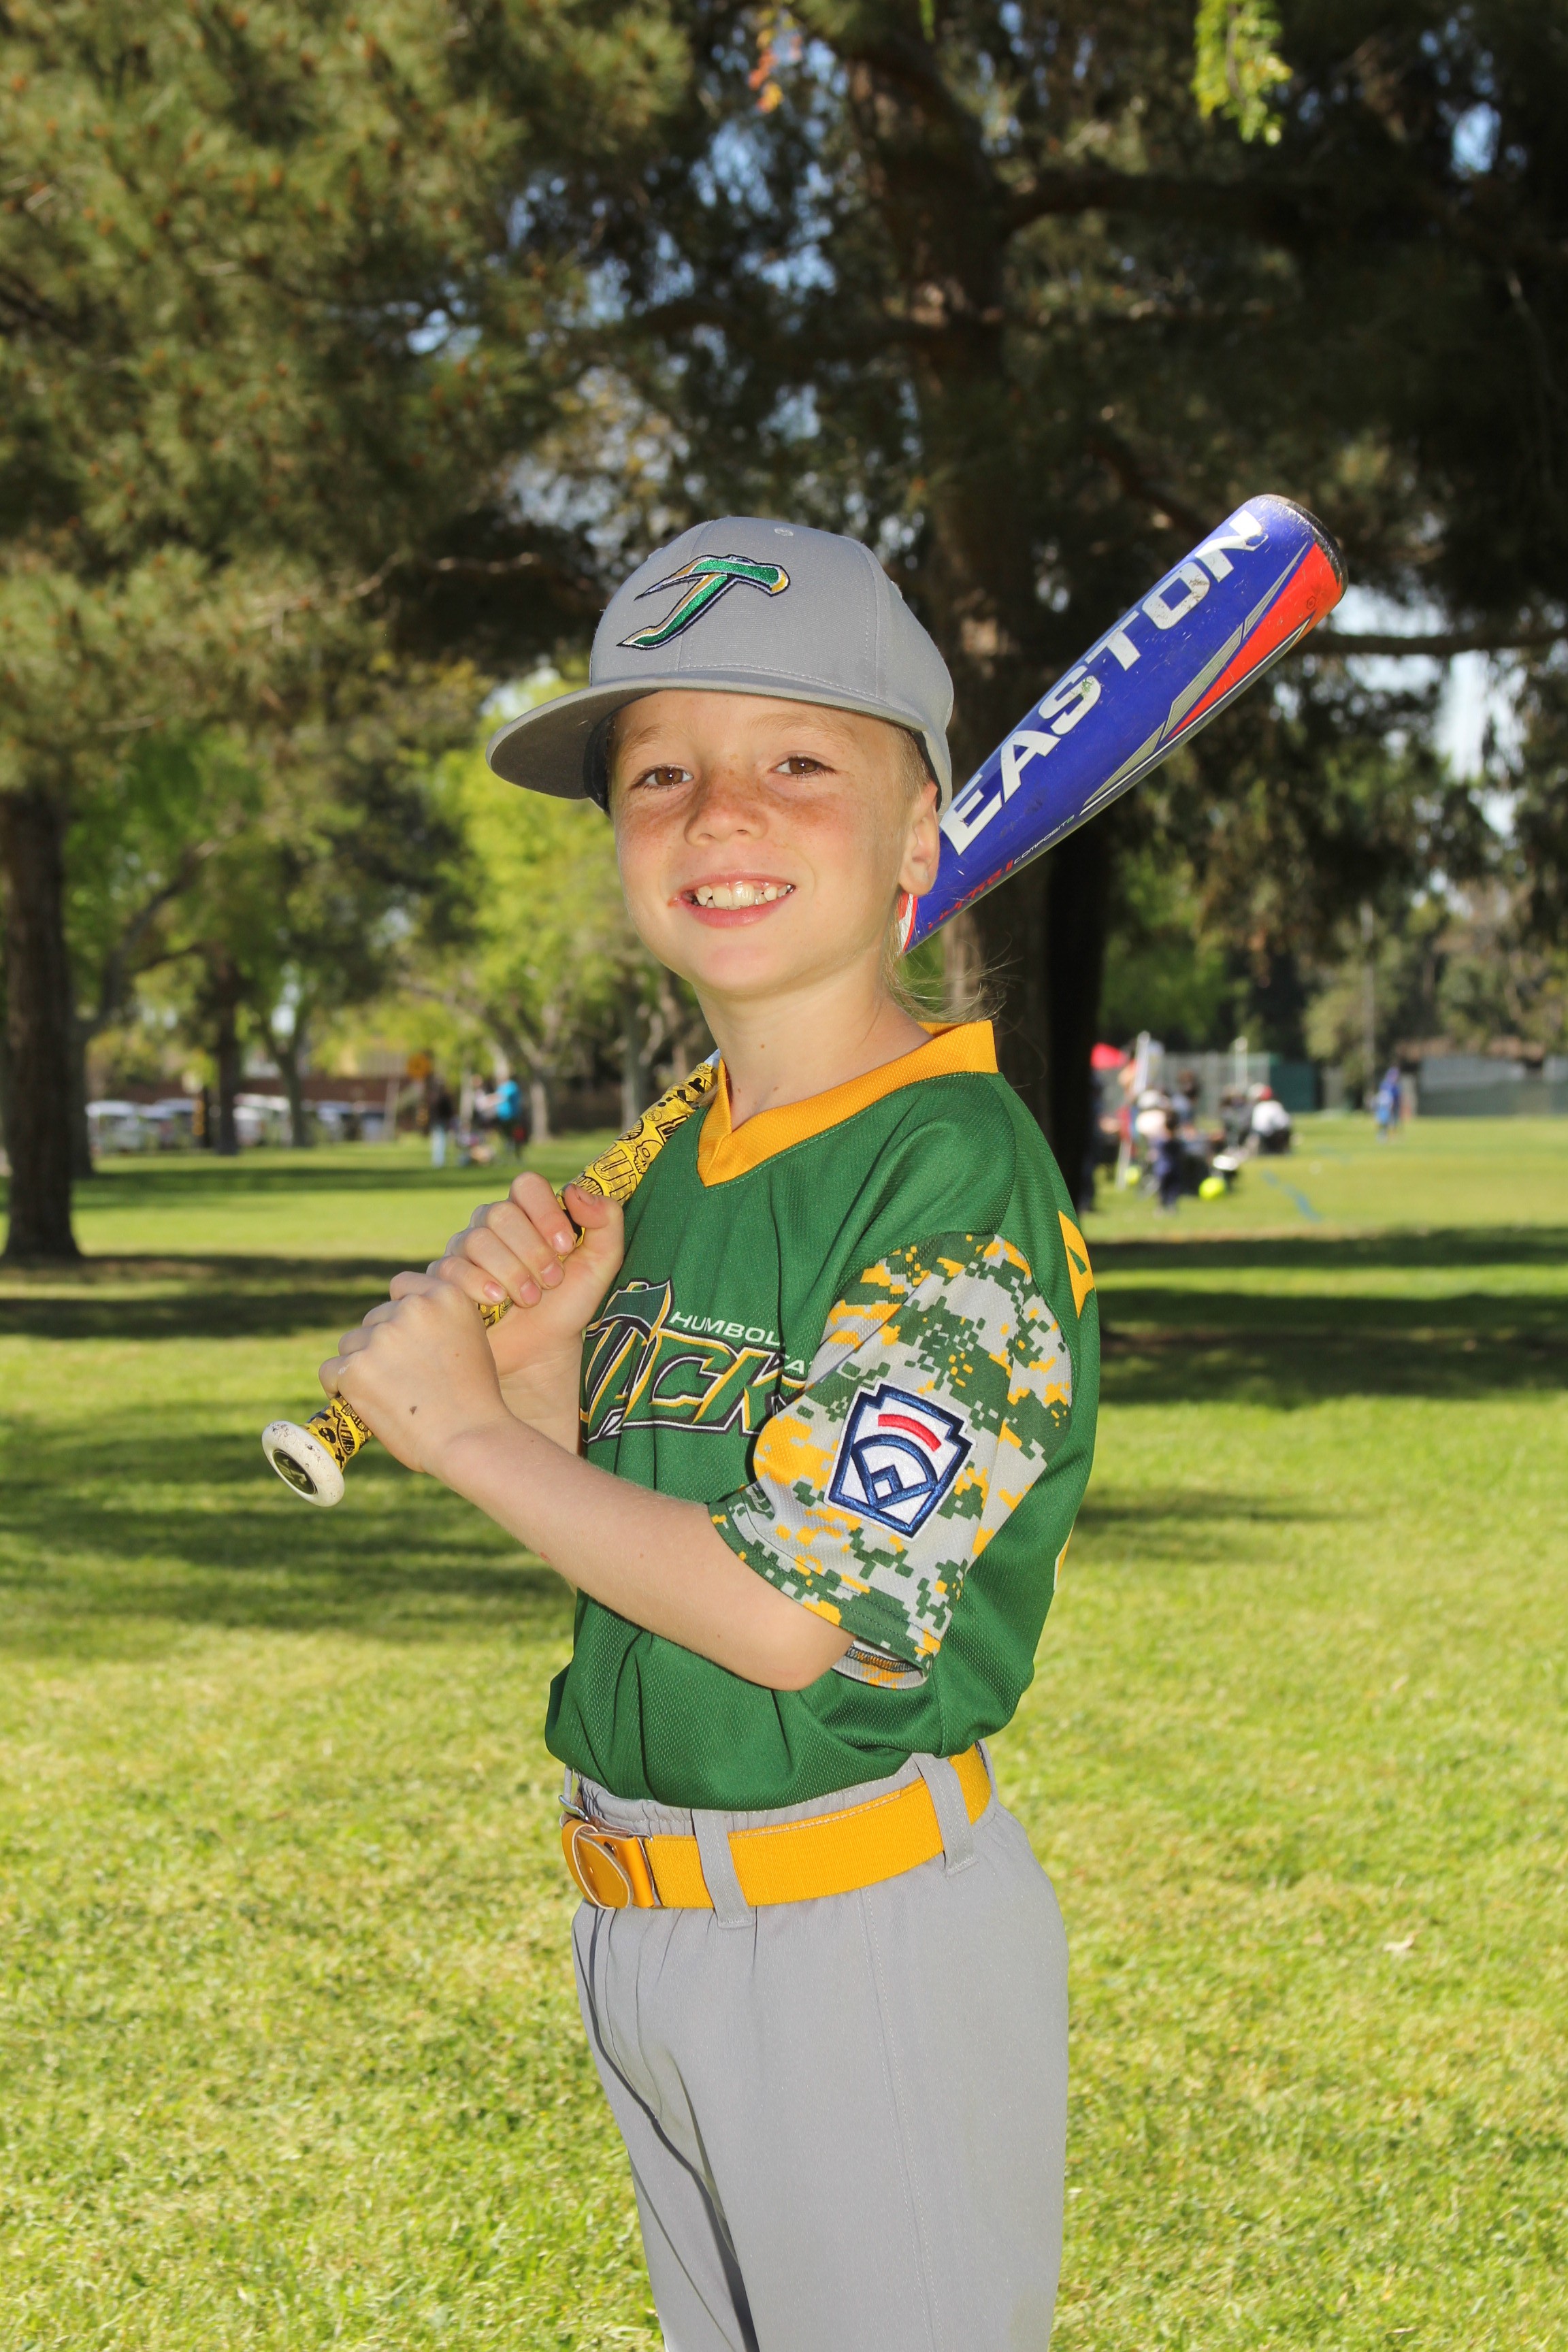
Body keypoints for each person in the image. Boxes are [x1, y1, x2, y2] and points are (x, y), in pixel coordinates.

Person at [319, 519, 1099, 2351]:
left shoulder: (959, 1175)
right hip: (651, 1919)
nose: (718, 810)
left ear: (921, 837)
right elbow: (668, 1526)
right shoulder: (682, 1156)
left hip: (855, 1934)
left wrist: (465, 1437)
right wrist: (539, 1396)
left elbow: (785, 1611)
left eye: (799, 761)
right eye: (659, 772)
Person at [428, 1081, 456, 1169]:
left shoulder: (434, 1098)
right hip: (441, 1121)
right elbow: (449, 1111)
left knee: (438, 1140)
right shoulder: (443, 1098)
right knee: (441, 1140)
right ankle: (439, 1161)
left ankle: (438, 1161)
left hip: (437, 1121)